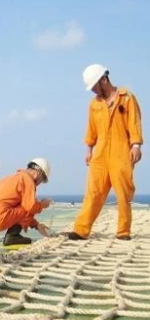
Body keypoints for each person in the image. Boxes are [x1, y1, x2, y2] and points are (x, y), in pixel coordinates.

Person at [67, 63, 143, 241]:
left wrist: (136, 145)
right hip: (99, 152)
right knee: (93, 191)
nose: (93, 90)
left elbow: (134, 123)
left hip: (121, 150)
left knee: (123, 192)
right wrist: (89, 149)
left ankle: (123, 231)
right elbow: (91, 129)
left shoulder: (126, 98)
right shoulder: (94, 104)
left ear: (104, 79)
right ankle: (81, 230)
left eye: (94, 85)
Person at [0, 158, 52, 246]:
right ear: (38, 173)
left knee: (2, 205)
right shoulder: (28, 180)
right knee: (29, 206)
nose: (40, 183)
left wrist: (36, 225)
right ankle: (12, 236)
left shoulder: (11, 178)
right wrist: (42, 204)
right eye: (42, 179)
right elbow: (30, 207)